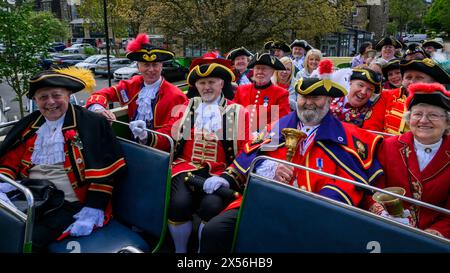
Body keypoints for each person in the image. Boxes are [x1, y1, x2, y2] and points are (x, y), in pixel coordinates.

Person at [200, 64, 384, 252]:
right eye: (304, 97)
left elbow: (350, 182)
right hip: (265, 201)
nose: (308, 102)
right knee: (214, 232)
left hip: (315, 212)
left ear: (329, 101)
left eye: (316, 97)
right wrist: (267, 168)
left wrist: (316, 204)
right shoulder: (277, 126)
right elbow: (248, 158)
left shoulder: (347, 136)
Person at [0, 68, 126, 252]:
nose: (50, 102)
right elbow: (9, 162)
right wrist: (4, 185)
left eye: (56, 95)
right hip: (29, 195)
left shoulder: (91, 123)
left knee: (26, 240)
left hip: (71, 203)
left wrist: (93, 208)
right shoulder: (30, 126)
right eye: (43, 97)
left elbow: (105, 173)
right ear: (35, 101)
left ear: (68, 95)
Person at [130, 60, 250, 253]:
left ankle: (203, 251)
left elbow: (246, 150)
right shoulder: (187, 108)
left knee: (212, 207)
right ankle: (180, 251)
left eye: (212, 82)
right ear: (196, 86)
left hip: (218, 173)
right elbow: (170, 134)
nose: (207, 87)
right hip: (184, 168)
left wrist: (227, 178)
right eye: (202, 83)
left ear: (222, 84)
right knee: (178, 205)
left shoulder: (238, 112)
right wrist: (146, 135)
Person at [362, 82, 449, 239]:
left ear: (447, 122)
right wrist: (382, 214)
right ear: (409, 119)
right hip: (387, 230)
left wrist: (432, 236)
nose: (423, 120)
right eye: (417, 114)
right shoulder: (388, 146)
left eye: (433, 115)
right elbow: (370, 191)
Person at [85, 33, 187, 134]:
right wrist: (99, 109)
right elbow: (100, 94)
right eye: (146, 65)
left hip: (161, 148)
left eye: (155, 65)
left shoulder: (176, 95)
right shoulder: (132, 85)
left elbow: (178, 130)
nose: (151, 70)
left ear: (161, 66)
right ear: (138, 67)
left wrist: (147, 137)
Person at [364, 58, 450, 134]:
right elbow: (371, 128)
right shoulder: (387, 96)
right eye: (408, 77)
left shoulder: (445, 102)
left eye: (419, 77)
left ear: (433, 82)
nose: (412, 82)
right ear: (403, 80)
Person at [233, 52, 290, 135]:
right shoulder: (241, 89)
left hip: (266, 139)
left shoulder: (281, 94)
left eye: (264, 69)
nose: (260, 72)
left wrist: (262, 133)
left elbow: (282, 120)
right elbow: (234, 114)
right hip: (241, 136)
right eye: (257, 68)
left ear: (272, 72)